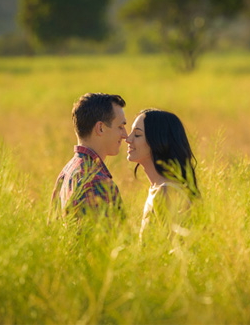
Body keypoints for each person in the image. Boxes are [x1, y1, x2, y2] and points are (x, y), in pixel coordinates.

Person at [49, 93, 128, 221]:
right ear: (100, 128)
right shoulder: (96, 181)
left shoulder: (67, 171)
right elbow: (103, 240)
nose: (125, 134)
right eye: (120, 127)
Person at [126, 108, 199, 239]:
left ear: (157, 141)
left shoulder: (166, 192)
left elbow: (173, 251)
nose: (128, 139)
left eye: (137, 135)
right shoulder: (157, 188)